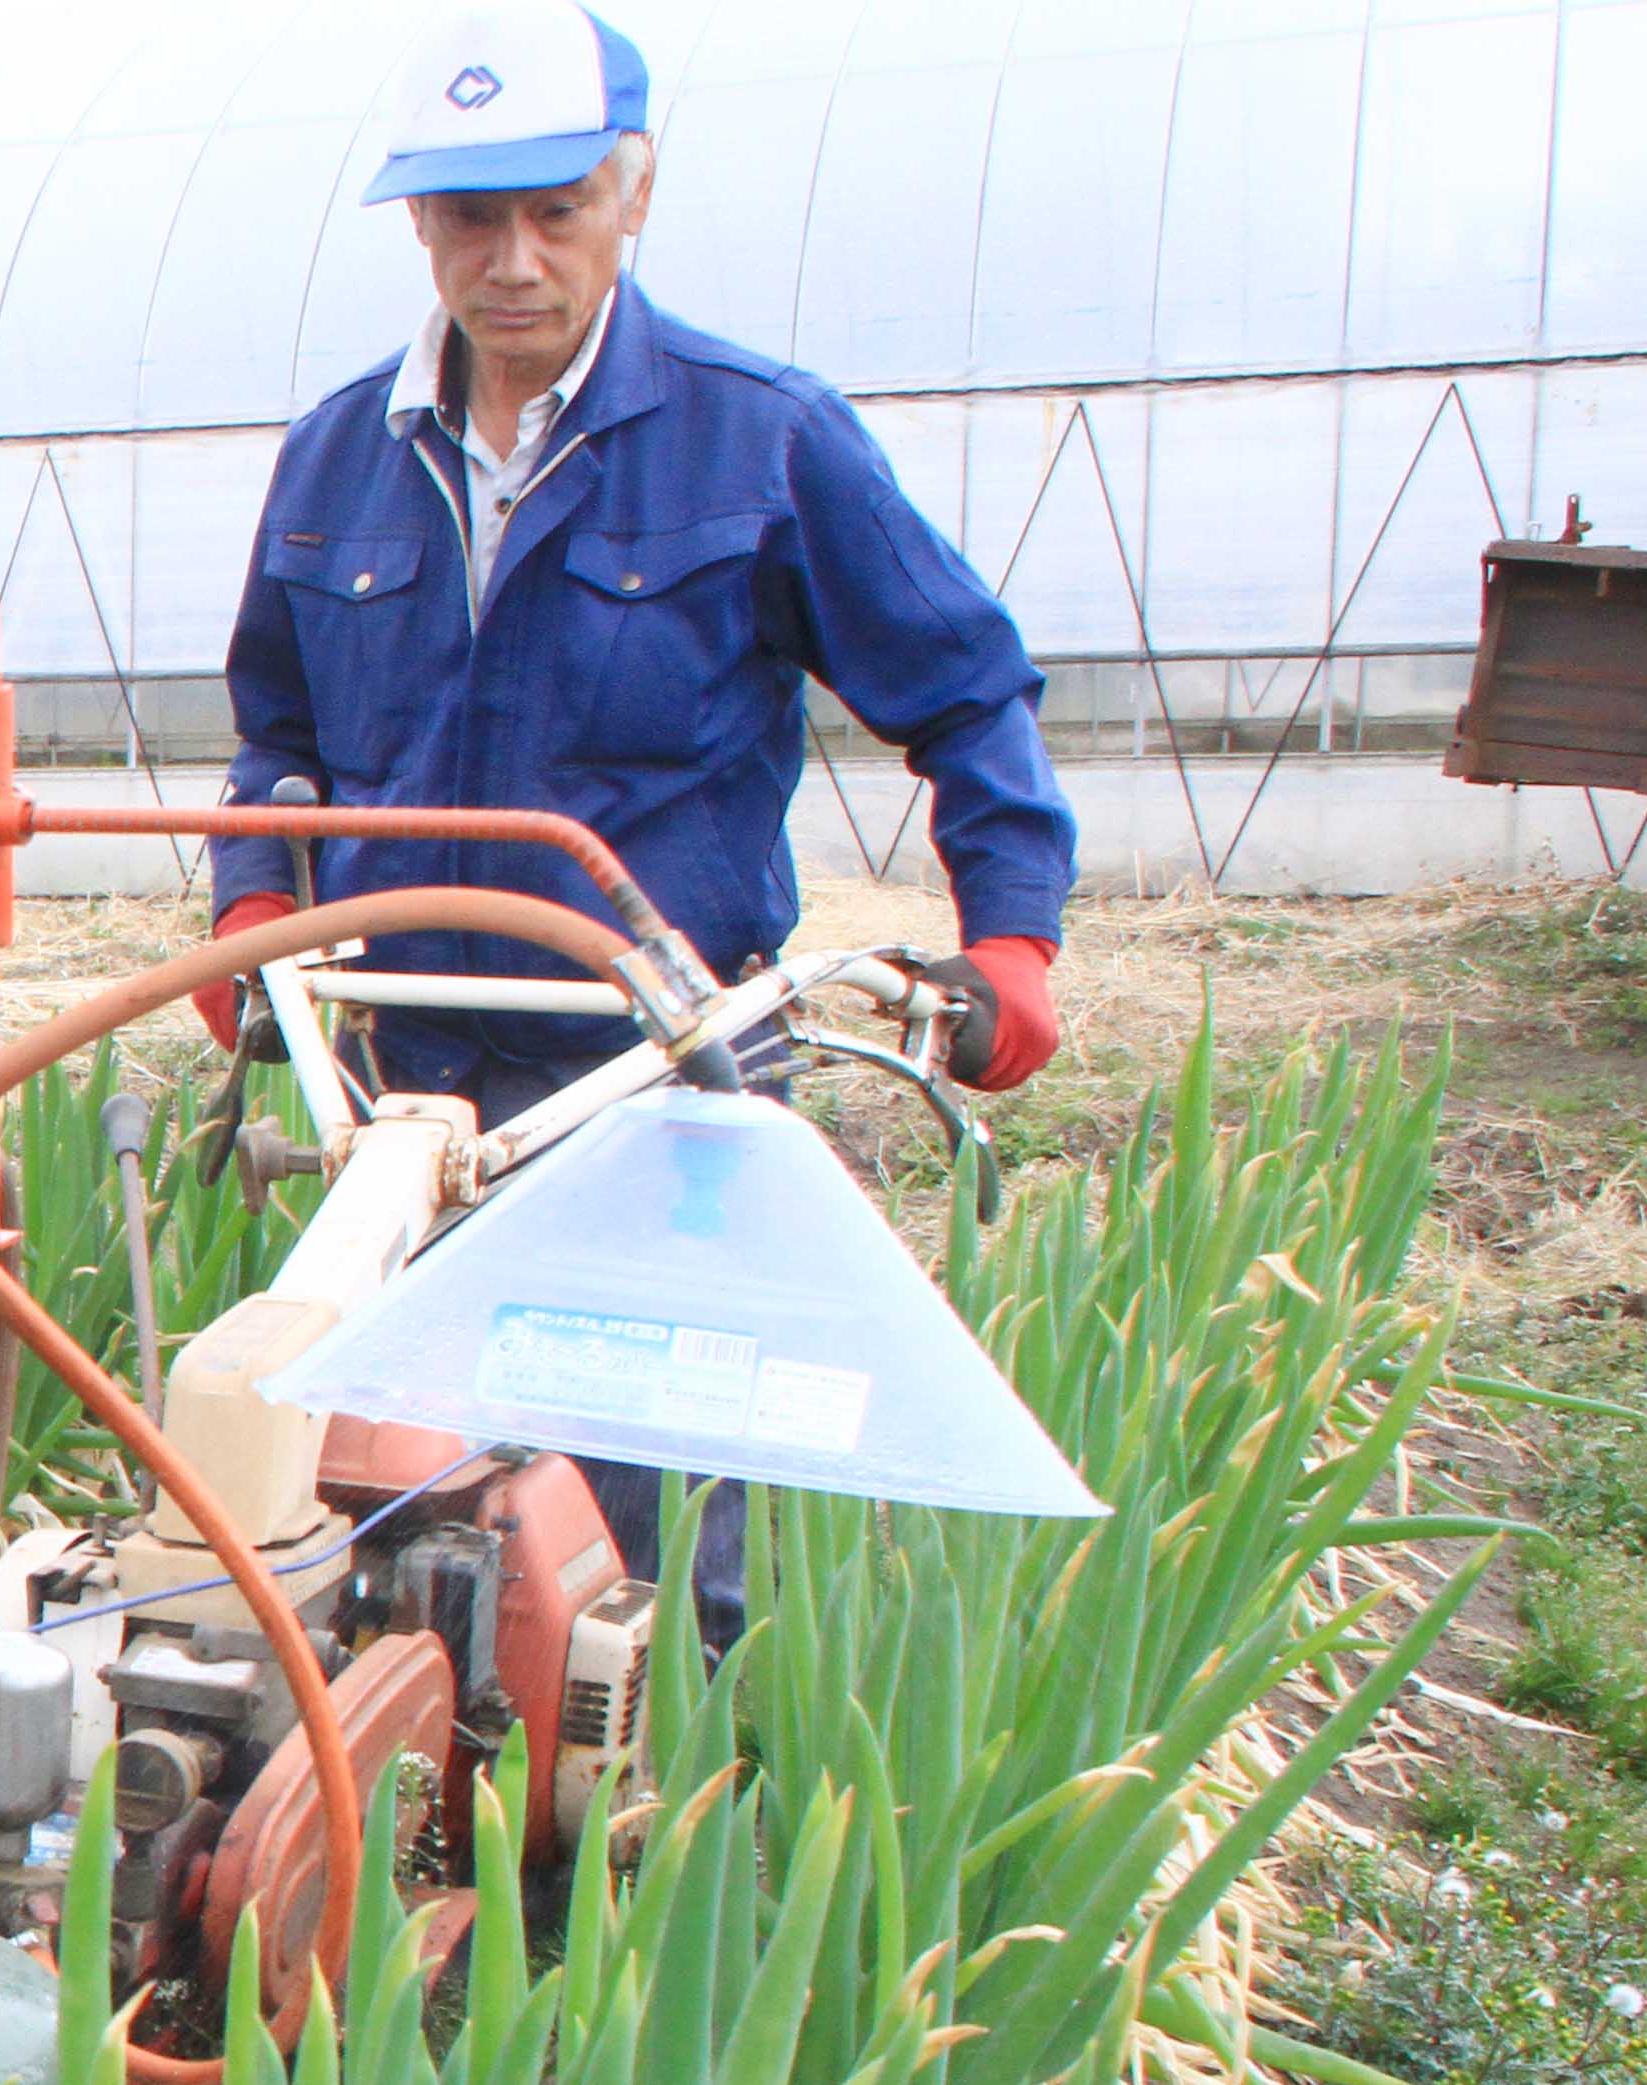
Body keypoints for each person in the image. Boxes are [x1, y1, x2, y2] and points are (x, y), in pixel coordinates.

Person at [204, 1, 1076, 1636]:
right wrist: (257, 907)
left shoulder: (764, 442)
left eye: (559, 210)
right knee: (376, 1526)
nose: (514, 261)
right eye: (474, 217)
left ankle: (656, 1857)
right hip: (401, 1068)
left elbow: (967, 694)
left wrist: (1011, 941)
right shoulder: (339, 456)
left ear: (637, 192)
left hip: (654, 1072)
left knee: (640, 1568)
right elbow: (281, 737)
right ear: (418, 221)